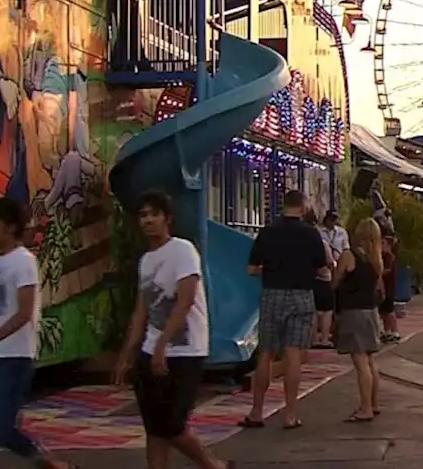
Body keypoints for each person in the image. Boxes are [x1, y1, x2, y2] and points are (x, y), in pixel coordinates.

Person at [114, 191, 228, 469]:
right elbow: (142, 311)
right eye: (143, 215)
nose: (148, 220)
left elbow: (185, 300)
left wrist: (162, 345)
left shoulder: (182, 250)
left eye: (154, 214)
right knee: (154, 427)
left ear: (167, 219)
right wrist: (126, 355)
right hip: (150, 350)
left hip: (185, 350)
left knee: (172, 424)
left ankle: (213, 465)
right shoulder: (146, 261)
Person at [0, 198, 71, 469]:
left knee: (1, 426)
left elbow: (24, 313)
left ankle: (47, 461)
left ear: (10, 227)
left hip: (14, 356)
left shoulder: (23, 262)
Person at [241, 191, 328, 429]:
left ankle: (257, 412)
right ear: (302, 207)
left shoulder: (267, 232)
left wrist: (269, 271)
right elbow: (322, 269)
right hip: (301, 296)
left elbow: (251, 269)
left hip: (272, 295)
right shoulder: (311, 234)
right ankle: (290, 414)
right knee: (293, 356)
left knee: (266, 353)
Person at [333, 218, 385, 421]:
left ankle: (365, 408)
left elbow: (336, 280)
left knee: (361, 362)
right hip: (370, 311)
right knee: (371, 361)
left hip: (353, 311)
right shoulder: (376, 260)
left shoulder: (349, 255)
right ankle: (373, 403)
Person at [314, 209, 348, 349]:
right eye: (330, 219)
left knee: (337, 301)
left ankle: (333, 331)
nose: (332, 222)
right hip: (325, 269)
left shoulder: (341, 232)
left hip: (339, 265)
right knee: (323, 305)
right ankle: (320, 336)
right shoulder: (319, 233)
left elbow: (346, 247)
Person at [379, 235, 400, 343]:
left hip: (389, 287)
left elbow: (387, 270)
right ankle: (387, 331)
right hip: (383, 287)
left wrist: (378, 271)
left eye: (383, 243)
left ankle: (395, 331)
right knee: (383, 311)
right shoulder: (381, 256)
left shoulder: (389, 257)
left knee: (389, 310)